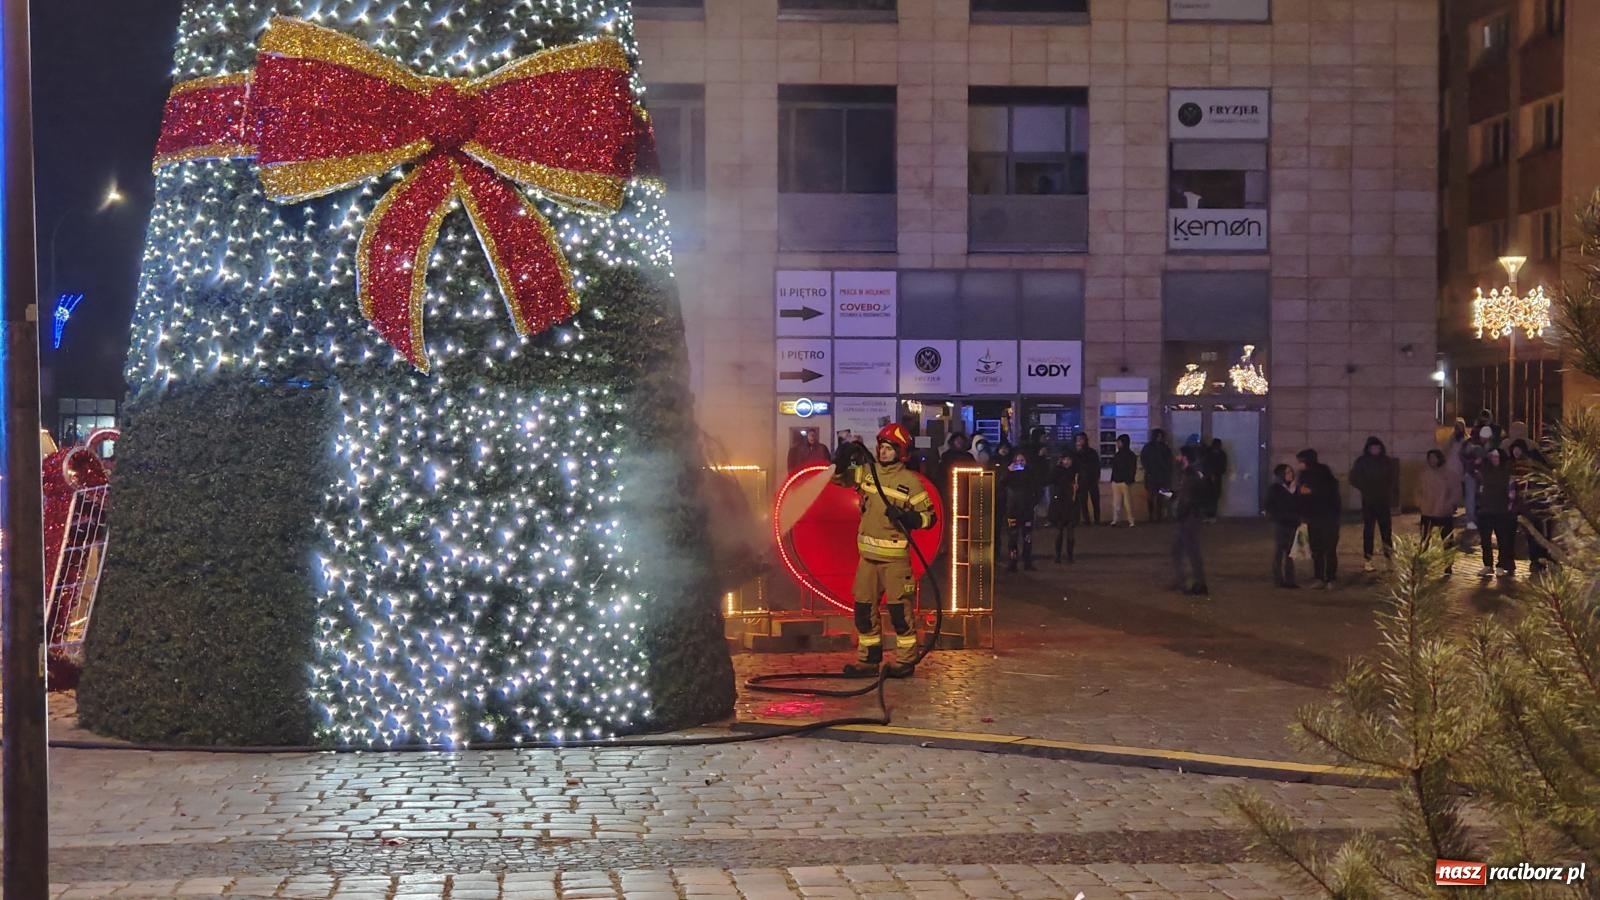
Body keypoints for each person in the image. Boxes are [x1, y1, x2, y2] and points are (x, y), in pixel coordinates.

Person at [832, 423, 937, 678]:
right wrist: (841, 460)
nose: (883, 452)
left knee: (900, 612)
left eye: (889, 448)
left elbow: (929, 518)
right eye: (881, 447)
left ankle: (905, 662)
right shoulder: (867, 473)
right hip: (868, 559)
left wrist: (908, 517)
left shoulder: (910, 482)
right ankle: (868, 662)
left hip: (895, 562)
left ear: (900, 452)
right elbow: (839, 479)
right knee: (863, 610)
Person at [1295, 449, 1342, 590]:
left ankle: (1330, 578)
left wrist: (1312, 492)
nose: (1298, 465)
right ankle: (1319, 577)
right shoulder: (1303, 475)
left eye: (1301, 462)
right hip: (1313, 517)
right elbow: (1301, 495)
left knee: (1329, 548)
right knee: (1317, 548)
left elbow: (1330, 492)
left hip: (1328, 517)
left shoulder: (1323, 473)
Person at [1348, 436, 1396, 571]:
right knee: (1368, 530)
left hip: (1383, 500)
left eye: (1378, 447)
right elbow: (1353, 478)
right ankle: (1368, 559)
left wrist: (1387, 489)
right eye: (1373, 447)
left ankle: (1389, 558)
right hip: (1368, 500)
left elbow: (1392, 478)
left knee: (1386, 530)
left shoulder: (1386, 461)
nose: (1375, 450)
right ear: (1368, 449)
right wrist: (1365, 487)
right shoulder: (1362, 461)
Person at [1508, 439, 1554, 574]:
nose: (1516, 453)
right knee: (1531, 536)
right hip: (1525, 507)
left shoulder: (1533, 467)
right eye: (1514, 451)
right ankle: (1536, 561)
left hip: (1537, 507)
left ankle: (1541, 561)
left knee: (1540, 536)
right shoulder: (1515, 466)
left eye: (1518, 450)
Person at [1169, 445, 1209, 596]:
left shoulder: (1190, 475)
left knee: (1192, 551)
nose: (1176, 457)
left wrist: (1178, 513)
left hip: (1188, 518)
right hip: (1189, 516)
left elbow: (1187, 499)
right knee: (1176, 551)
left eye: (1179, 455)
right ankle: (1182, 581)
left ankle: (1200, 583)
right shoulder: (1189, 473)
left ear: (1184, 457)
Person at [1416, 449, 1462, 574]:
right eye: (1429, 458)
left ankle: (1448, 564)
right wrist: (1420, 503)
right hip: (1427, 511)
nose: (1432, 460)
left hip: (1443, 511)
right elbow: (1419, 490)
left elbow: (1456, 490)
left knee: (1446, 539)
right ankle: (1422, 561)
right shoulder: (1424, 474)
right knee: (1425, 538)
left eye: (1434, 458)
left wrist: (1450, 504)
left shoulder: (1450, 474)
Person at [1475, 446, 1515, 579]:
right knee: (1485, 540)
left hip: (1501, 511)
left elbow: (1511, 493)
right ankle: (1488, 565)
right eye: (1492, 457)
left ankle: (1501, 565)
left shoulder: (1506, 473)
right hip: (1485, 511)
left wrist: (1509, 508)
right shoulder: (1484, 472)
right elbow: (1479, 489)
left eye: (1496, 457)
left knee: (1502, 540)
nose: (1494, 459)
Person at [1001, 447, 1040, 572]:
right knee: (1012, 537)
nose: (1020, 463)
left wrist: (1034, 503)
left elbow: (1038, 489)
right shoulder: (1010, 473)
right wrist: (1008, 471)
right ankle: (1013, 562)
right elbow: (1000, 483)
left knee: (1027, 537)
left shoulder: (1031, 473)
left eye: (1022, 460)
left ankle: (1027, 562)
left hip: (1027, 510)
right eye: (1018, 461)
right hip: (1012, 510)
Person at [1265, 463, 1301, 589]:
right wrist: (1276, 516)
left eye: (1291, 472)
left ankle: (1290, 579)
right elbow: (1269, 505)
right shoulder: (1275, 489)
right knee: (1279, 551)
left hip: (1293, 522)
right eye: (1287, 473)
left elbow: (1300, 504)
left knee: (1291, 553)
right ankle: (1278, 579)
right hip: (1280, 523)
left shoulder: (1296, 489)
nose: (1290, 475)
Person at [1047, 451, 1080, 563]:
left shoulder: (1076, 472)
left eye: (1069, 459)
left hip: (1071, 504)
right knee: (1059, 531)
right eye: (1065, 459)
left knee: (1070, 532)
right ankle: (1058, 555)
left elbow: (1081, 484)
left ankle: (1070, 555)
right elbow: (1051, 479)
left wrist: (1077, 487)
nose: (1067, 462)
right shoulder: (1057, 471)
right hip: (1059, 504)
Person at [1140, 429, 1174, 522]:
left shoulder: (1158, 448)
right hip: (1155, 476)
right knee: (1154, 496)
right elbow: (1144, 460)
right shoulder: (1157, 448)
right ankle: (1154, 515)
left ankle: (1157, 515)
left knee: (1159, 497)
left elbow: (1144, 460)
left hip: (1157, 476)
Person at [1072, 433, 1103, 525]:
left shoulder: (1091, 452)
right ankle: (1086, 520)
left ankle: (1096, 520)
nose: (1079, 442)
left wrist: (1096, 477)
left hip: (1091, 480)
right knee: (1083, 501)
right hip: (1082, 480)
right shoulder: (1076, 454)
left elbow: (1097, 466)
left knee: (1095, 501)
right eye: (1078, 440)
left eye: (1081, 439)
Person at [1109, 434, 1139, 527]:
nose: (1117, 444)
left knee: (1126, 503)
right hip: (1120, 481)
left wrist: (1127, 480)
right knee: (1118, 503)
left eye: (1119, 442)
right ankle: (1118, 520)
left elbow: (1132, 469)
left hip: (1122, 482)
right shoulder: (1127, 455)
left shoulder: (1124, 455)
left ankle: (1127, 520)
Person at [1203, 438, 1229, 520]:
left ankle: (1211, 515)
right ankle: (1209, 515)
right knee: (1210, 496)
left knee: (1213, 497)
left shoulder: (1210, 453)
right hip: (1211, 477)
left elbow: (1223, 467)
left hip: (1213, 477)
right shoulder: (1218, 454)